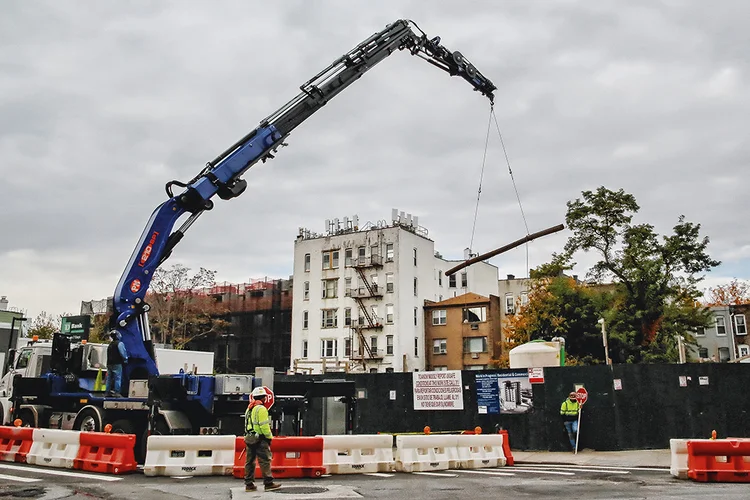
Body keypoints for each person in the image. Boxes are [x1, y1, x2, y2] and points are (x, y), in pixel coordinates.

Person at [244, 387, 281, 492]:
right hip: (260, 439)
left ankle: (249, 484)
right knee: (265, 460)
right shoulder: (261, 409)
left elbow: (246, 424)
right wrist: (269, 437)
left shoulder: (249, 408)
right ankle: (268, 483)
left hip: (249, 437)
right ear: (263, 398)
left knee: (249, 462)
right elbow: (264, 426)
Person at [105, 330, 128, 396]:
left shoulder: (110, 345)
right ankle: (117, 392)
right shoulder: (119, 343)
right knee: (118, 378)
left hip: (109, 364)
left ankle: (107, 392)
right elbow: (123, 353)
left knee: (109, 378)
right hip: (117, 363)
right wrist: (126, 360)